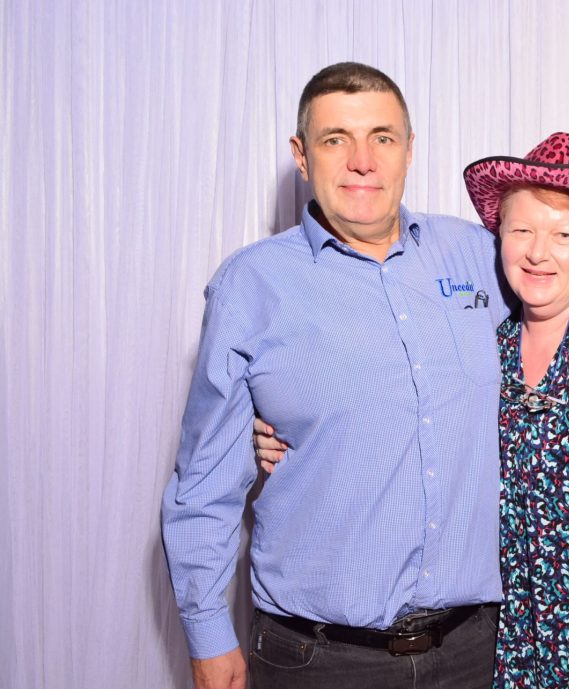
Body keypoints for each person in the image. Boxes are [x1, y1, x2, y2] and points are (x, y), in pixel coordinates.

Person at [259, 132, 569, 689]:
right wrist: (279, 423)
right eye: (521, 230)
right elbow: (409, 395)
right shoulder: (489, 338)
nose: (538, 252)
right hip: (516, 657)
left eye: (564, 234)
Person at [162, 62, 511, 689]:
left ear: (409, 149)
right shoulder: (251, 285)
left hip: (474, 653)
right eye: (335, 139)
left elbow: (561, 342)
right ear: (302, 155)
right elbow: (206, 482)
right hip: (320, 660)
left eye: (382, 137)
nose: (362, 161)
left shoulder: (479, 255)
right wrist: (207, 633)